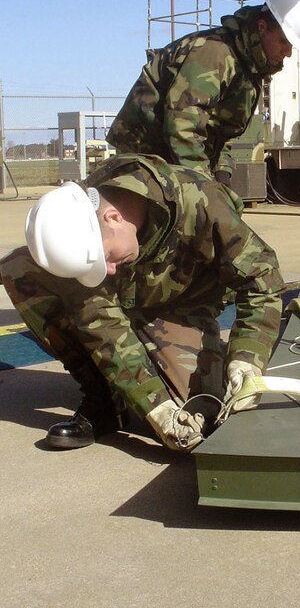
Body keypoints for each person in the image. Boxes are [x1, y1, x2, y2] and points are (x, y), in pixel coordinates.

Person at [0, 153, 284, 450]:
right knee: (21, 267)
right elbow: (101, 321)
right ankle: (105, 399)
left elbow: (261, 276)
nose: (108, 270)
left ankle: (210, 356)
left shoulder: (199, 201)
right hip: (124, 303)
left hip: (182, 307)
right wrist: (155, 406)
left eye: (106, 257)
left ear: (112, 218)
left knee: (199, 411)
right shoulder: (79, 222)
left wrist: (249, 356)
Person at [105, 0, 300, 186]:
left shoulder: (248, 65)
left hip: (173, 156)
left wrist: (222, 170)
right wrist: (203, 184)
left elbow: (219, 127)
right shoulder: (215, 54)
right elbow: (182, 124)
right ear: (262, 27)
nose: (288, 53)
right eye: (284, 42)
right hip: (146, 154)